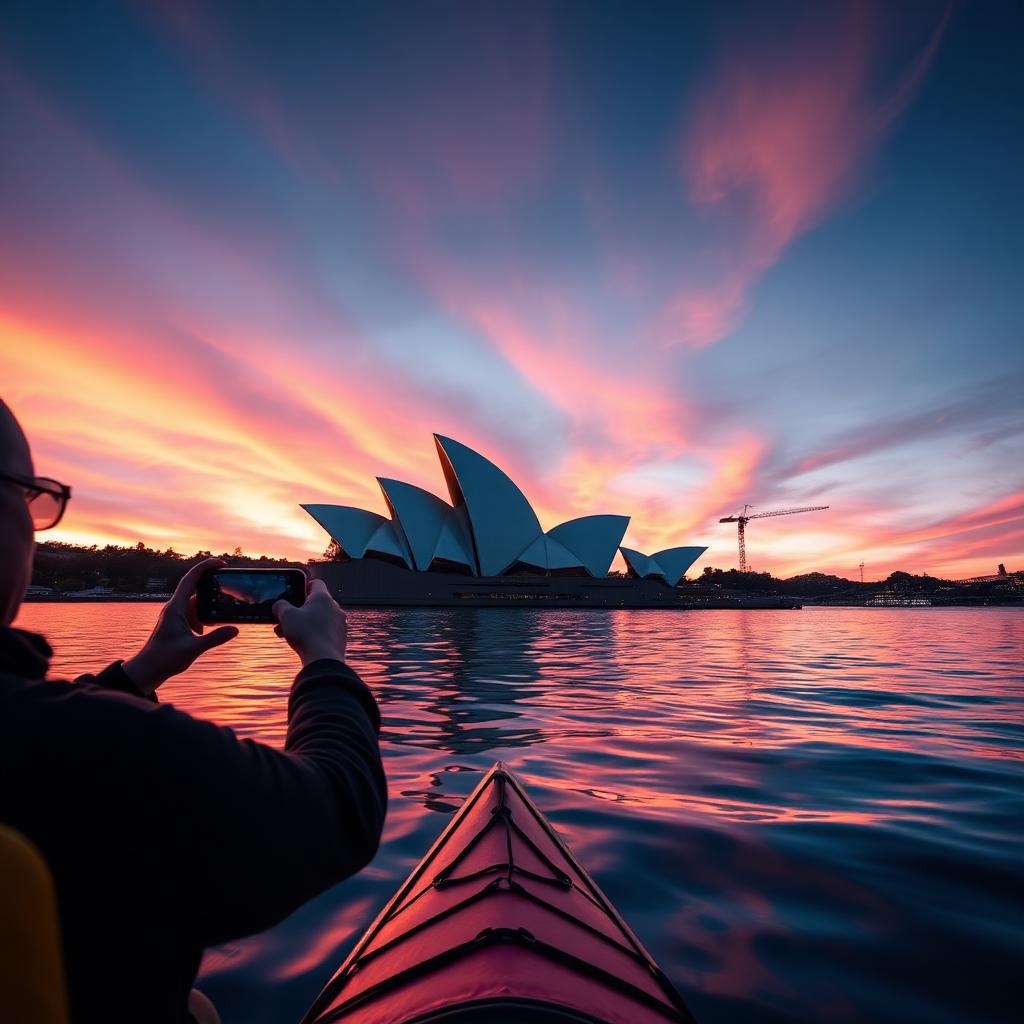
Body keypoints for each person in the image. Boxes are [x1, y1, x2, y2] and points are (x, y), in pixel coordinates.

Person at [0, 398, 387, 1023]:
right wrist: (325, 662)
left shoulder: (58, 738)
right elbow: (340, 809)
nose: (33, 523)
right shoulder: (115, 754)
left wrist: (141, 671)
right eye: (29, 497)